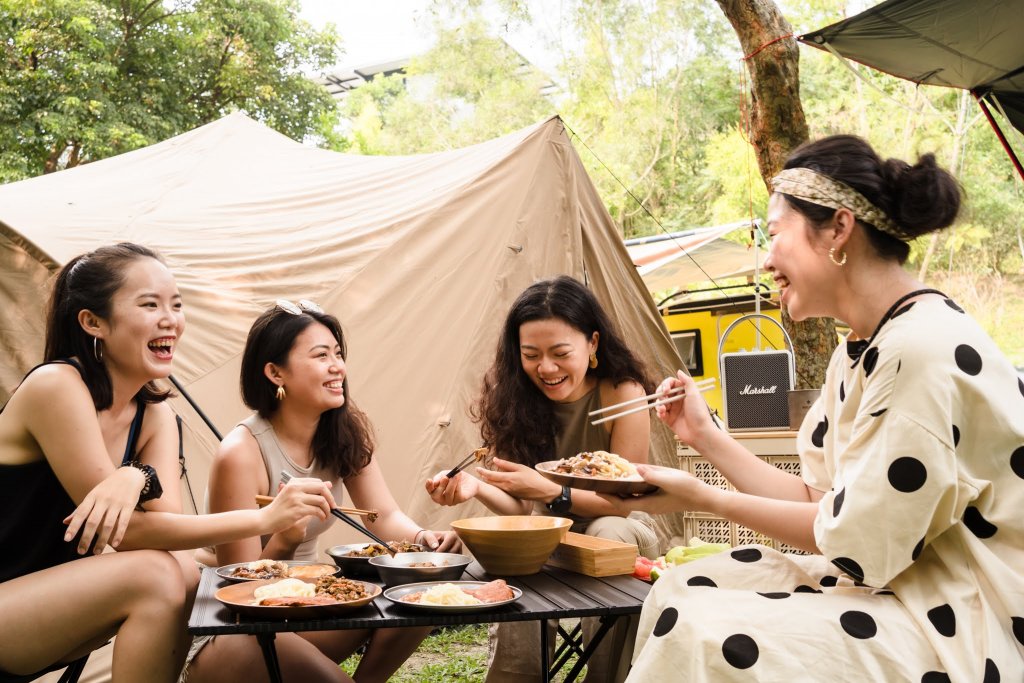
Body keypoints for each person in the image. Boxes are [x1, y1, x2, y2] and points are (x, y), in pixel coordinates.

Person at [603, 136, 1024, 681]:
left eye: (774, 234)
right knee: (682, 588)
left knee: (710, 630)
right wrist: (706, 437)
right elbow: (821, 503)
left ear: (839, 229)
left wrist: (701, 495)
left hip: (964, 620)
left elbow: (855, 545)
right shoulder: (862, 349)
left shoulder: (917, 351)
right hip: (897, 588)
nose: (766, 259)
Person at [0, 243, 336, 683]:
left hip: (37, 605)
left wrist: (135, 475)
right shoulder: (57, 386)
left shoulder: (154, 413)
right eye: (149, 304)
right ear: (93, 322)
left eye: (176, 305)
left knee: (177, 569)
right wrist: (265, 518)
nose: (170, 319)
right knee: (154, 573)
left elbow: (163, 532)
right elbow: (128, 535)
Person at [184, 299, 460, 683]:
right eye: (320, 356)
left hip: (308, 610)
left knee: (421, 591)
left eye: (338, 353)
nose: (337, 367)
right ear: (275, 372)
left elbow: (383, 516)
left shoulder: (344, 433)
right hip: (234, 631)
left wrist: (421, 539)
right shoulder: (240, 453)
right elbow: (241, 592)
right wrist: (284, 538)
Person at [426, 275, 660, 683]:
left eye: (560, 353)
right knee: (518, 540)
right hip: (549, 533)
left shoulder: (623, 394)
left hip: (623, 533)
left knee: (607, 529)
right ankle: (517, 676)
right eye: (531, 354)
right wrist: (477, 487)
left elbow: (622, 502)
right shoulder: (515, 399)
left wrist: (552, 491)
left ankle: (605, 678)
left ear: (593, 344)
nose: (545, 368)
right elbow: (520, 506)